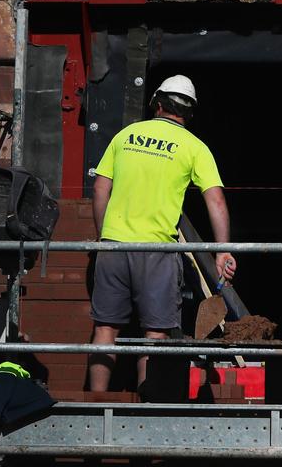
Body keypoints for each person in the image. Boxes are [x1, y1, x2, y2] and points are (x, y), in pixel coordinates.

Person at [87, 75, 237, 392]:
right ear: (190, 112)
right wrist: (222, 250)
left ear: (157, 103)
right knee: (155, 334)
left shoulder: (126, 135)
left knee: (105, 329)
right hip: (157, 252)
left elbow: (100, 187)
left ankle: (94, 404)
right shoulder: (195, 147)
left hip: (114, 247)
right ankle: (147, 406)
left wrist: (104, 237)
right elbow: (216, 200)